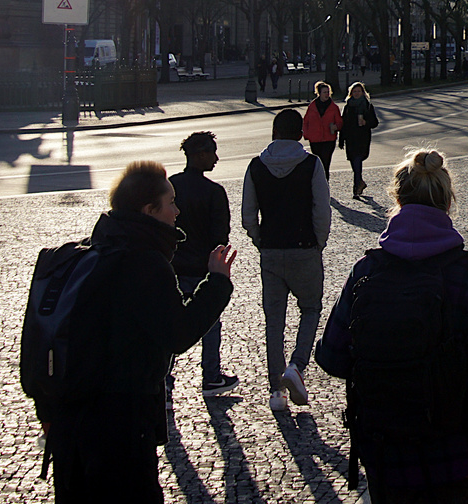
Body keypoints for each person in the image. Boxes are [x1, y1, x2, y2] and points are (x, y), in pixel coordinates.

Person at [317, 149, 468, 504]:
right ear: (447, 203)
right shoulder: (466, 276)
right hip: (454, 452)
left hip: (384, 451)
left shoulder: (366, 271)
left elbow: (332, 357)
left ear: (396, 200)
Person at [40, 160, 237, 503]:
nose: (177, 211)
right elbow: (177, 333)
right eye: (171, 203)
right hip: (121, 424)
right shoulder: (144, 263)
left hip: (72, 420)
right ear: (149, 210)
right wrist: (217, 282)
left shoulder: (95, 250)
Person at [240, 108, 331, 412]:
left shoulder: (256, 167)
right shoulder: (311, 164)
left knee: (274, 321)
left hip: (272, 251)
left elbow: (248, 214)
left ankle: (275, 392)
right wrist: (319, 242)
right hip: (305, 247)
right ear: (301, 134)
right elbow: (322, 210)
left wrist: (259, 240)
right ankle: (297, 366)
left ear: (274, 132)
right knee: (311, 308)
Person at [167, 132, 239, 399]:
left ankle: (165, 381)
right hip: (202, 270)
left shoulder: (170, 186)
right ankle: (211, 376)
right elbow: (220, 236)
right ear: (199, 155)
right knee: (209, 323)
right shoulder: (214, 192)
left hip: (173, 268)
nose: (216, 158)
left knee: (169, 323)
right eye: (212, 153)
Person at [340, 81, 379, 199]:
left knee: (357, 160)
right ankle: (360, 182)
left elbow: (375, 122)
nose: (356, 93)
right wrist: (341, 139)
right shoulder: (348, 106)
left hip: (362, 138)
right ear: (351, 93)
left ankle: (356, 187)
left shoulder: (367, 106)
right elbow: (343, 124)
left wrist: (366, 122)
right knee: (353, 161)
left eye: (358, 91)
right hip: (350, 138)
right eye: (354, 91)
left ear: (363, 92)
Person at [304, 82, 344, 176]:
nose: (327, 94)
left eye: (328, 92)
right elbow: (306, 122)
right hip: (315, 139)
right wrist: (306, 134)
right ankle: (318, 182)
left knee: (325, 162)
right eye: (324, 92)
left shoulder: (334, 107)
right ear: (319, 93)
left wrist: (336, 127)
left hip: (329, 139)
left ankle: (325, 182)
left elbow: (340, 122)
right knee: (317, 163)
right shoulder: (312, 107)